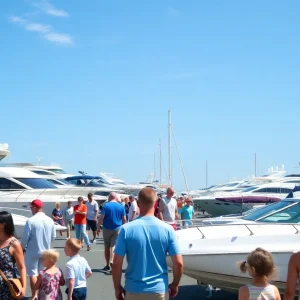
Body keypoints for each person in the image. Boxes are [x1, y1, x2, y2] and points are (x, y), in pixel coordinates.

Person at [113, 187, 183, 300]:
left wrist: (117, 287)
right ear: (155, 204)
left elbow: (116, 263)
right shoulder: (168, 229)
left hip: (133, 289)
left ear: (138, 204)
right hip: (158, 289)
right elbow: (178, 263)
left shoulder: (126, 229)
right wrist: (175, 284)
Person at [21, 199, 56, 299]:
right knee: (43, 274)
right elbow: (53, 236)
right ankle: (42, 295)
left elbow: (24, 238)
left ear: (35, 208)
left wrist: (22, 248)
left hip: (32, 251)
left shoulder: (31, 220)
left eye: (32, 207)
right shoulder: (50, 220)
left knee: (33, 274)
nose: (31, 209)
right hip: (45, 251)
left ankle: (34, 295)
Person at [97, 192, 126, 272]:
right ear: (116, 198)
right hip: (117, 228)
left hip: (107, 228)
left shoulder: (105, 206)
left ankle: (107, 264)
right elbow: (124, 219)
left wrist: (98, 227)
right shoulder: (121, 206)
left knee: (107, 246)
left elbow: (101, 217)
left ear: (109, 198)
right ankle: (112, 260)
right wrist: (124, 228)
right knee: (113, 246)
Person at [0, 211, 26, 300]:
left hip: (7, 285)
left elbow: (21, 267)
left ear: (3, 224)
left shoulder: (14, 243)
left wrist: (23, 287)